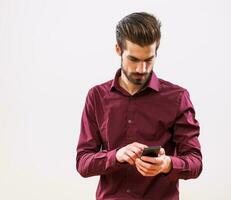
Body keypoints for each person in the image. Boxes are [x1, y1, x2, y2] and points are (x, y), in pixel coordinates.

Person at [76, 12, 202, 200]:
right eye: (133, 60)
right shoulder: (96, 97)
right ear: (118, 49)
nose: (141, 69)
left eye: (148, 60)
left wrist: (167, 164)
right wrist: (116, 156)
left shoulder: (178, 98)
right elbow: (83, 163)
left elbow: (195, 161)